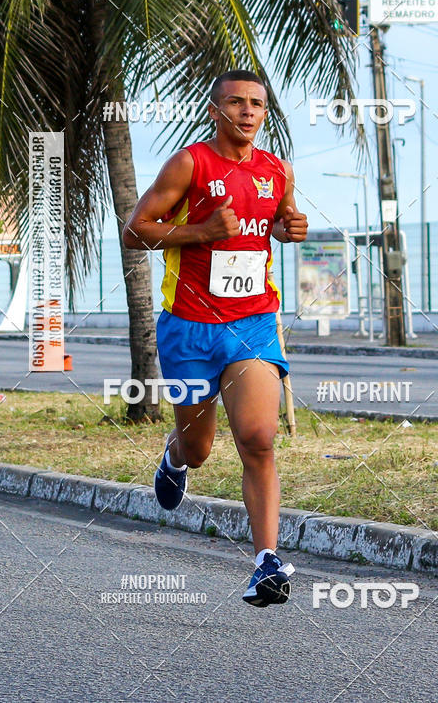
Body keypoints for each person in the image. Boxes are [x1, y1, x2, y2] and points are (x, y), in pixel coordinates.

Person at [123, 70, 308, 607]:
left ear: (265, 112)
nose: (247, 112)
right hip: (189, 327)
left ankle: (266, 563)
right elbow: (135, 229)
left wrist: (287, 229)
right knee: (200, 448)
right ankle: (175, 457)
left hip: (252, 323)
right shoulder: (190, 163)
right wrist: (200, 231)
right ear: (215, 109)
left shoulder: (278, 170)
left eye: (256, 104)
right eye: (235, 103)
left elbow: (274, 222)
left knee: (257, 439)